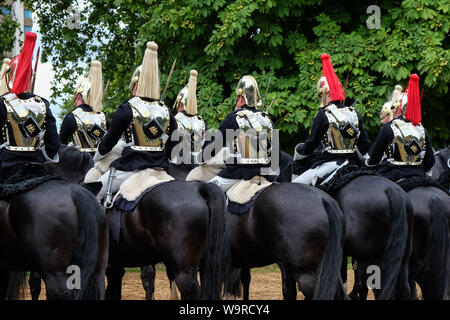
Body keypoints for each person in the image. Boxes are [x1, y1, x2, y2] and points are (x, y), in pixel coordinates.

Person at [93, 41, 178, 202]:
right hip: (161, 170)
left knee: (93, 194)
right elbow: (173, 147)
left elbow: (108, 143)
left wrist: (96, 156)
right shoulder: (166, 111)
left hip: (131, 168)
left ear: (136, 85)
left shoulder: (127, 108)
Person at [292, 53, 370, 186]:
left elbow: (311, 144)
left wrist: (301, 151)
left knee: (295, 186)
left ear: (324, 94)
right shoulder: (353, 112)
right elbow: (365, 143)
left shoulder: (324, 114)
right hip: (353, 164)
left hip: (331, 164)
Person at [204, 75, 279, 192]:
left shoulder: (234, 118)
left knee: (206, 192)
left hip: (239, 174)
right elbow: (276, 155)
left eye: (237, 97)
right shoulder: (267, 120)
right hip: (267, 175)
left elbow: (213, 148)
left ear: (241, 98)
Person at [0, 32, 60, 173]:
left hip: (6, 167)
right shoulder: (43, 104)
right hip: (37, 166)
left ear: (9, 77)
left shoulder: (2, 103)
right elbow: (54, 144)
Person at [366, 74, 435, 181]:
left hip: (392, 176)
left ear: (400, 108)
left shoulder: (389, 128)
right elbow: (430, 160)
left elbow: (375, 158)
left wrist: (369, 164)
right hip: (418, 175)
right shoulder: (422, 130)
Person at [59, 60, 109, 153]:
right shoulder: (103, 117)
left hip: (79, 165)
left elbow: (61, 145)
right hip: (100, 163)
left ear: (78, 96)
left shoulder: (71, 117)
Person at [172, 70, 206, 164]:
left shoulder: (175, 119)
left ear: (181, 103)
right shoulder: (201, 121)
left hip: (178, 163)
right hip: (198, 162)